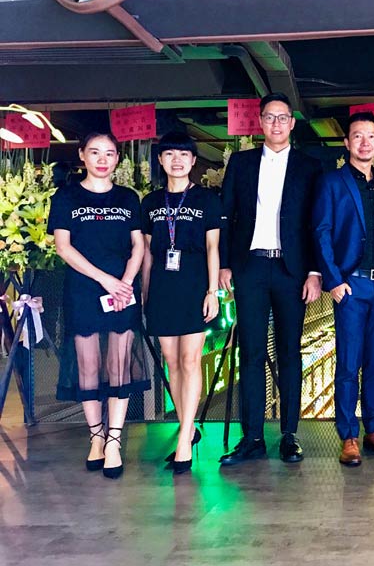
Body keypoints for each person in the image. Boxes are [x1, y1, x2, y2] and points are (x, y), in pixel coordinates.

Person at [217, 92, 322, 466]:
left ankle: (290, 435)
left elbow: (317, 223)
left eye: (282, 117)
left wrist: (315, 272)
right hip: (251, 268)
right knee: (251, 352)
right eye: (269, 117)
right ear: (260, 122)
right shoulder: (241, 163)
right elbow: (226, 215)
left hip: (292, 271)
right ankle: (253, 437)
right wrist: (225, 265)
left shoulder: (310, 167)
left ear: (292, 123)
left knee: (290, 352)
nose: (276, 124)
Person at [48, 132, 148, 479]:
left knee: (119, 364)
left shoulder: (128, 197)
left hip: (122, 290)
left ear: (118, 158)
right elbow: (63, 247)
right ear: (82, 156)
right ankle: (96, 436)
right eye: (95, 152)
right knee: (88, 364)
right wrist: (106, 280)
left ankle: (114, 440)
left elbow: (138, 245)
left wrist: (125, 282)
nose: (102, 159)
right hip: (84, 289)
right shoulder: (66, 196)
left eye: (109, 153)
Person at [312, 111, 374, 466]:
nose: (364, 143)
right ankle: (348, 435)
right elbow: (321, 232)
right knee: (349, 364)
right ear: (347, 142)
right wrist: (334, 280)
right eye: (357, 136)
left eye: (371, 136)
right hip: (351, 286)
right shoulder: (332, 183)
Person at [141, 132, 221, 474]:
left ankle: (185, 439)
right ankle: (186, 426)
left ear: (193, 161)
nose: (177, 160)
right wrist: (144, 295)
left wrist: (212, 291)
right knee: (172, 362)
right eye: (170, 154)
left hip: (193, 284)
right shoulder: (150, 202)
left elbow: (213, 248)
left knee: (190, 360)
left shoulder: (207, 199)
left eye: (184, 155)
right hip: (161, 286)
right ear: (161, 160)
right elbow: (146, 253)